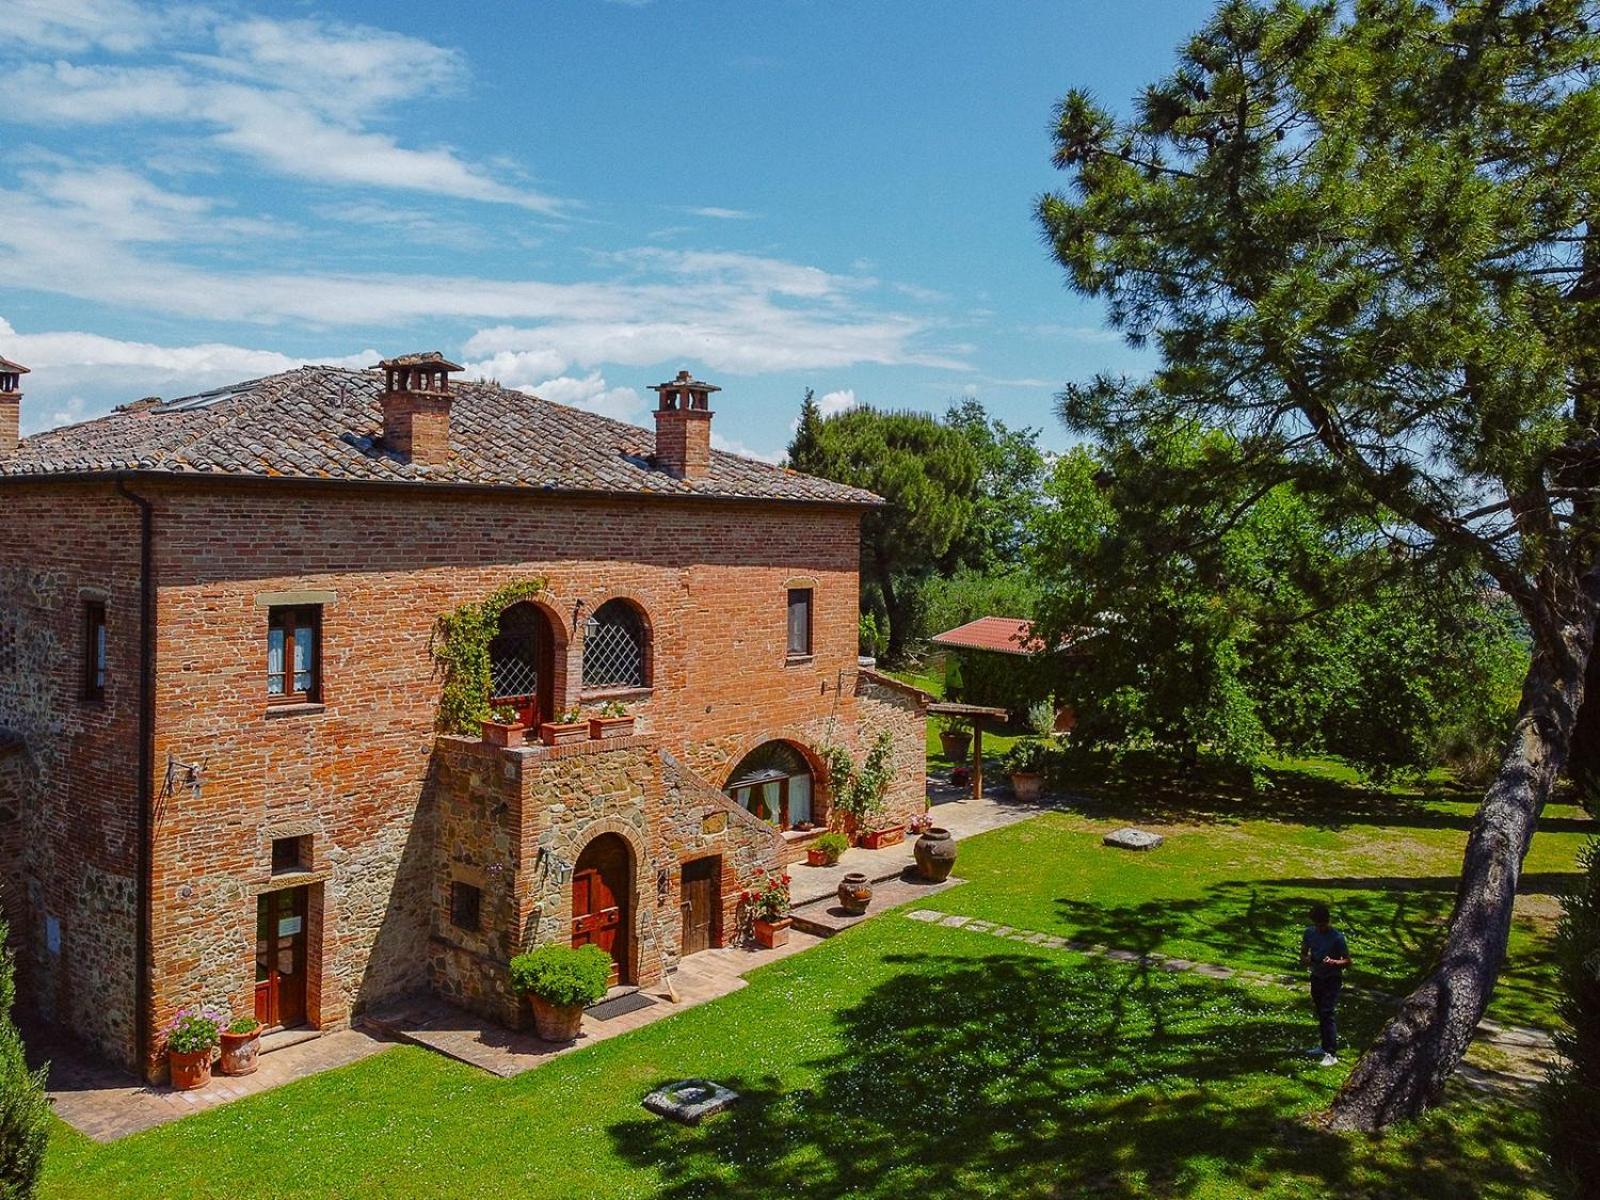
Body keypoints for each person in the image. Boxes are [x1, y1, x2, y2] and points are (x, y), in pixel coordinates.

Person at [1298, 902, 1351, 1067]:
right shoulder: (1309, 933)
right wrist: (1306, 960)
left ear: (1327, 921)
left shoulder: (1337, 938)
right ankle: (1323, 1046)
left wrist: (1334, 962)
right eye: (1316, 924)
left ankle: (1332, 1053)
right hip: (1317, 977)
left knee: (1327, 1013)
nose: (1319, 928)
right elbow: (1304, 953)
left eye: (1321, 924)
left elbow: (1348, 961)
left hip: (1332, 979)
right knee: (1321, 1012)